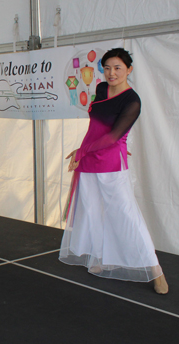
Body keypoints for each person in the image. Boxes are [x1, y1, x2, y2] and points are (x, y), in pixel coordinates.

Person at [60, 48, 168, 294]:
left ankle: (155, 270)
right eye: (107, 67)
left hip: (108, 162)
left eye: (118, 68)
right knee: (92, 211)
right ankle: (99, 257)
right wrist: (85, 150)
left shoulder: (132, 100)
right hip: (89, 158)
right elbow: (99, 128)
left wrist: (82, 151)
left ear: (129, 69)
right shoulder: (100, 90)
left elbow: (113, 135)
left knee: (126, 214)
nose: (111, 73)